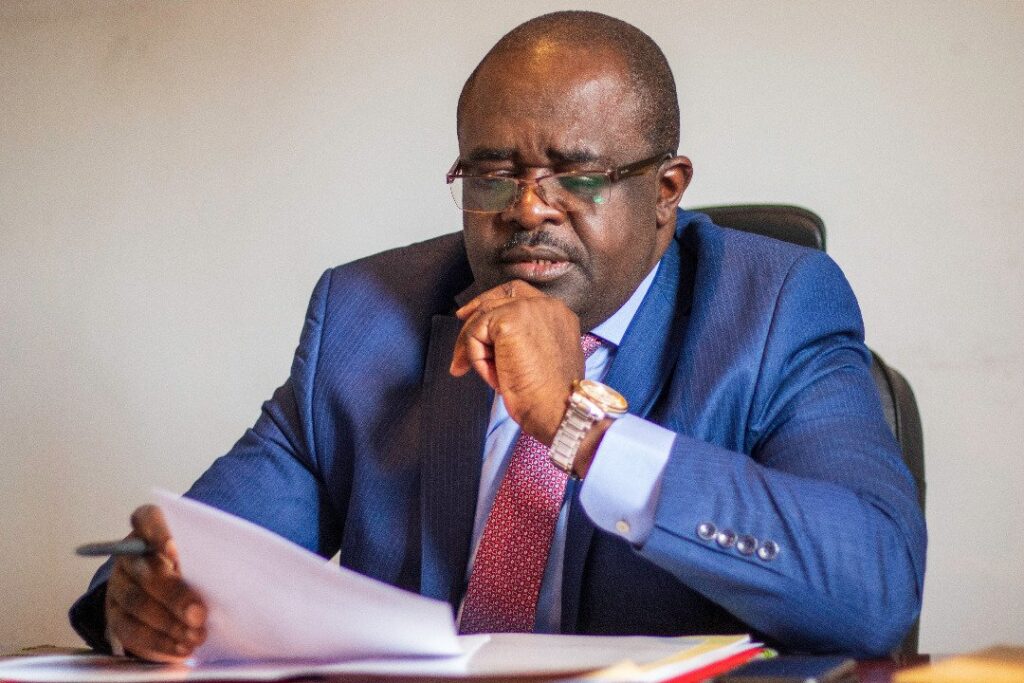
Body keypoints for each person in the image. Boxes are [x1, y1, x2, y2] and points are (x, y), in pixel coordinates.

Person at [70, 10, 926, 661]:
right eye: (492, 173)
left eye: (576, 173)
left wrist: (582, 427)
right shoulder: (366, 316)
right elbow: (201, 552)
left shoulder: (774, 307)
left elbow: (875, 584)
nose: (526, 208)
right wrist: (142, 599)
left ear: (667, 191)